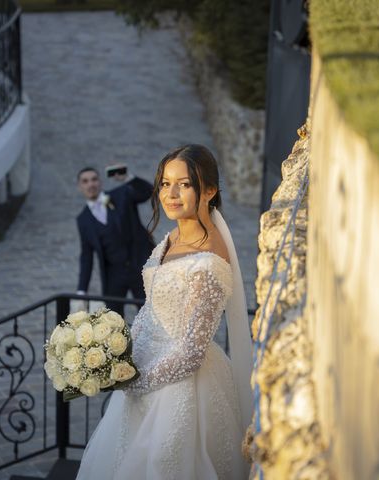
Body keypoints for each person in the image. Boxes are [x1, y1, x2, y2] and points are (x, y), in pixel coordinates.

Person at [76, 145, 254, 480]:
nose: (170, 194)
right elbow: (151, 307)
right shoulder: (172, 236)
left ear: (210, 190)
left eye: (184, 184)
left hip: (183, 390)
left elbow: (191, 353)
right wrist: (118, 352)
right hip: (143, 365)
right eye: (165, 183)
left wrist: (138, 382)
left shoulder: (210, 258)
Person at [76, 166, 155, 315]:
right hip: (114, 274)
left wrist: (128, 178)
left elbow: (148, 192)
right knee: (113, 321)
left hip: (140, 265)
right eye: (85, 181)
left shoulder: (121, 194)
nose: (90, 184)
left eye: (94, 179)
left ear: (100, 182)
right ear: (80, 187)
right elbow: (86, 256)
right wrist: (81, 290)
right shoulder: (83, 220)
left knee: (151, 314)